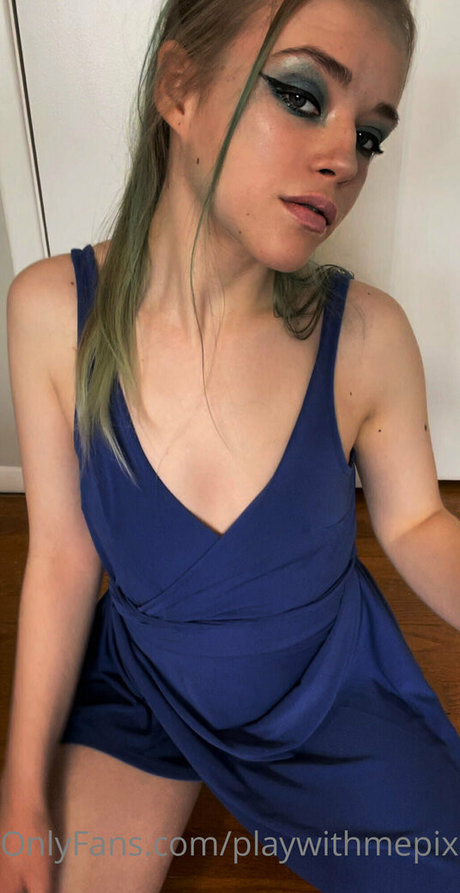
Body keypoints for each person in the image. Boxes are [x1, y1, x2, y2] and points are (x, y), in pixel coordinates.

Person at [3, 0, 460, 890]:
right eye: (301, 95)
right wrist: (21, 788)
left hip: (323, 700)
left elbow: (416, 523)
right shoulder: (52, 314)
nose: (343, 158)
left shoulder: (366, 336)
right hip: (147, 689)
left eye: (370, 136)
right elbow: (61, 556)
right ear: (180, 87)